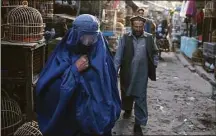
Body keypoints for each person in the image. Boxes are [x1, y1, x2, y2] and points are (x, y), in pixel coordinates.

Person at [36, 14, 121, 136]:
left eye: (92, 38)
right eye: (83, 38)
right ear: (75, 35)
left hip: (94, 124)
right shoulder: (63, 54)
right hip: (70, 122)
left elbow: (109, 90)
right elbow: (48, 86)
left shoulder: (102, 54)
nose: (87, 43)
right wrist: (74, 70)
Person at [114, 16, 159, 135]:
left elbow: (155, 52)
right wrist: (114, 70)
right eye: (136, 26)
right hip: (127, 71)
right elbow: (118, 55)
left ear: (143, 26)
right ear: (132, 26)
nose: (138, 29)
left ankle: (139, 123)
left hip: (141, 73)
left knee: (140, 98)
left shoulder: (149, 38)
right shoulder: (125, 37)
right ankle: (127, 109)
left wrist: (154, 64)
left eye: (140, 27)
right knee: (126, 92)